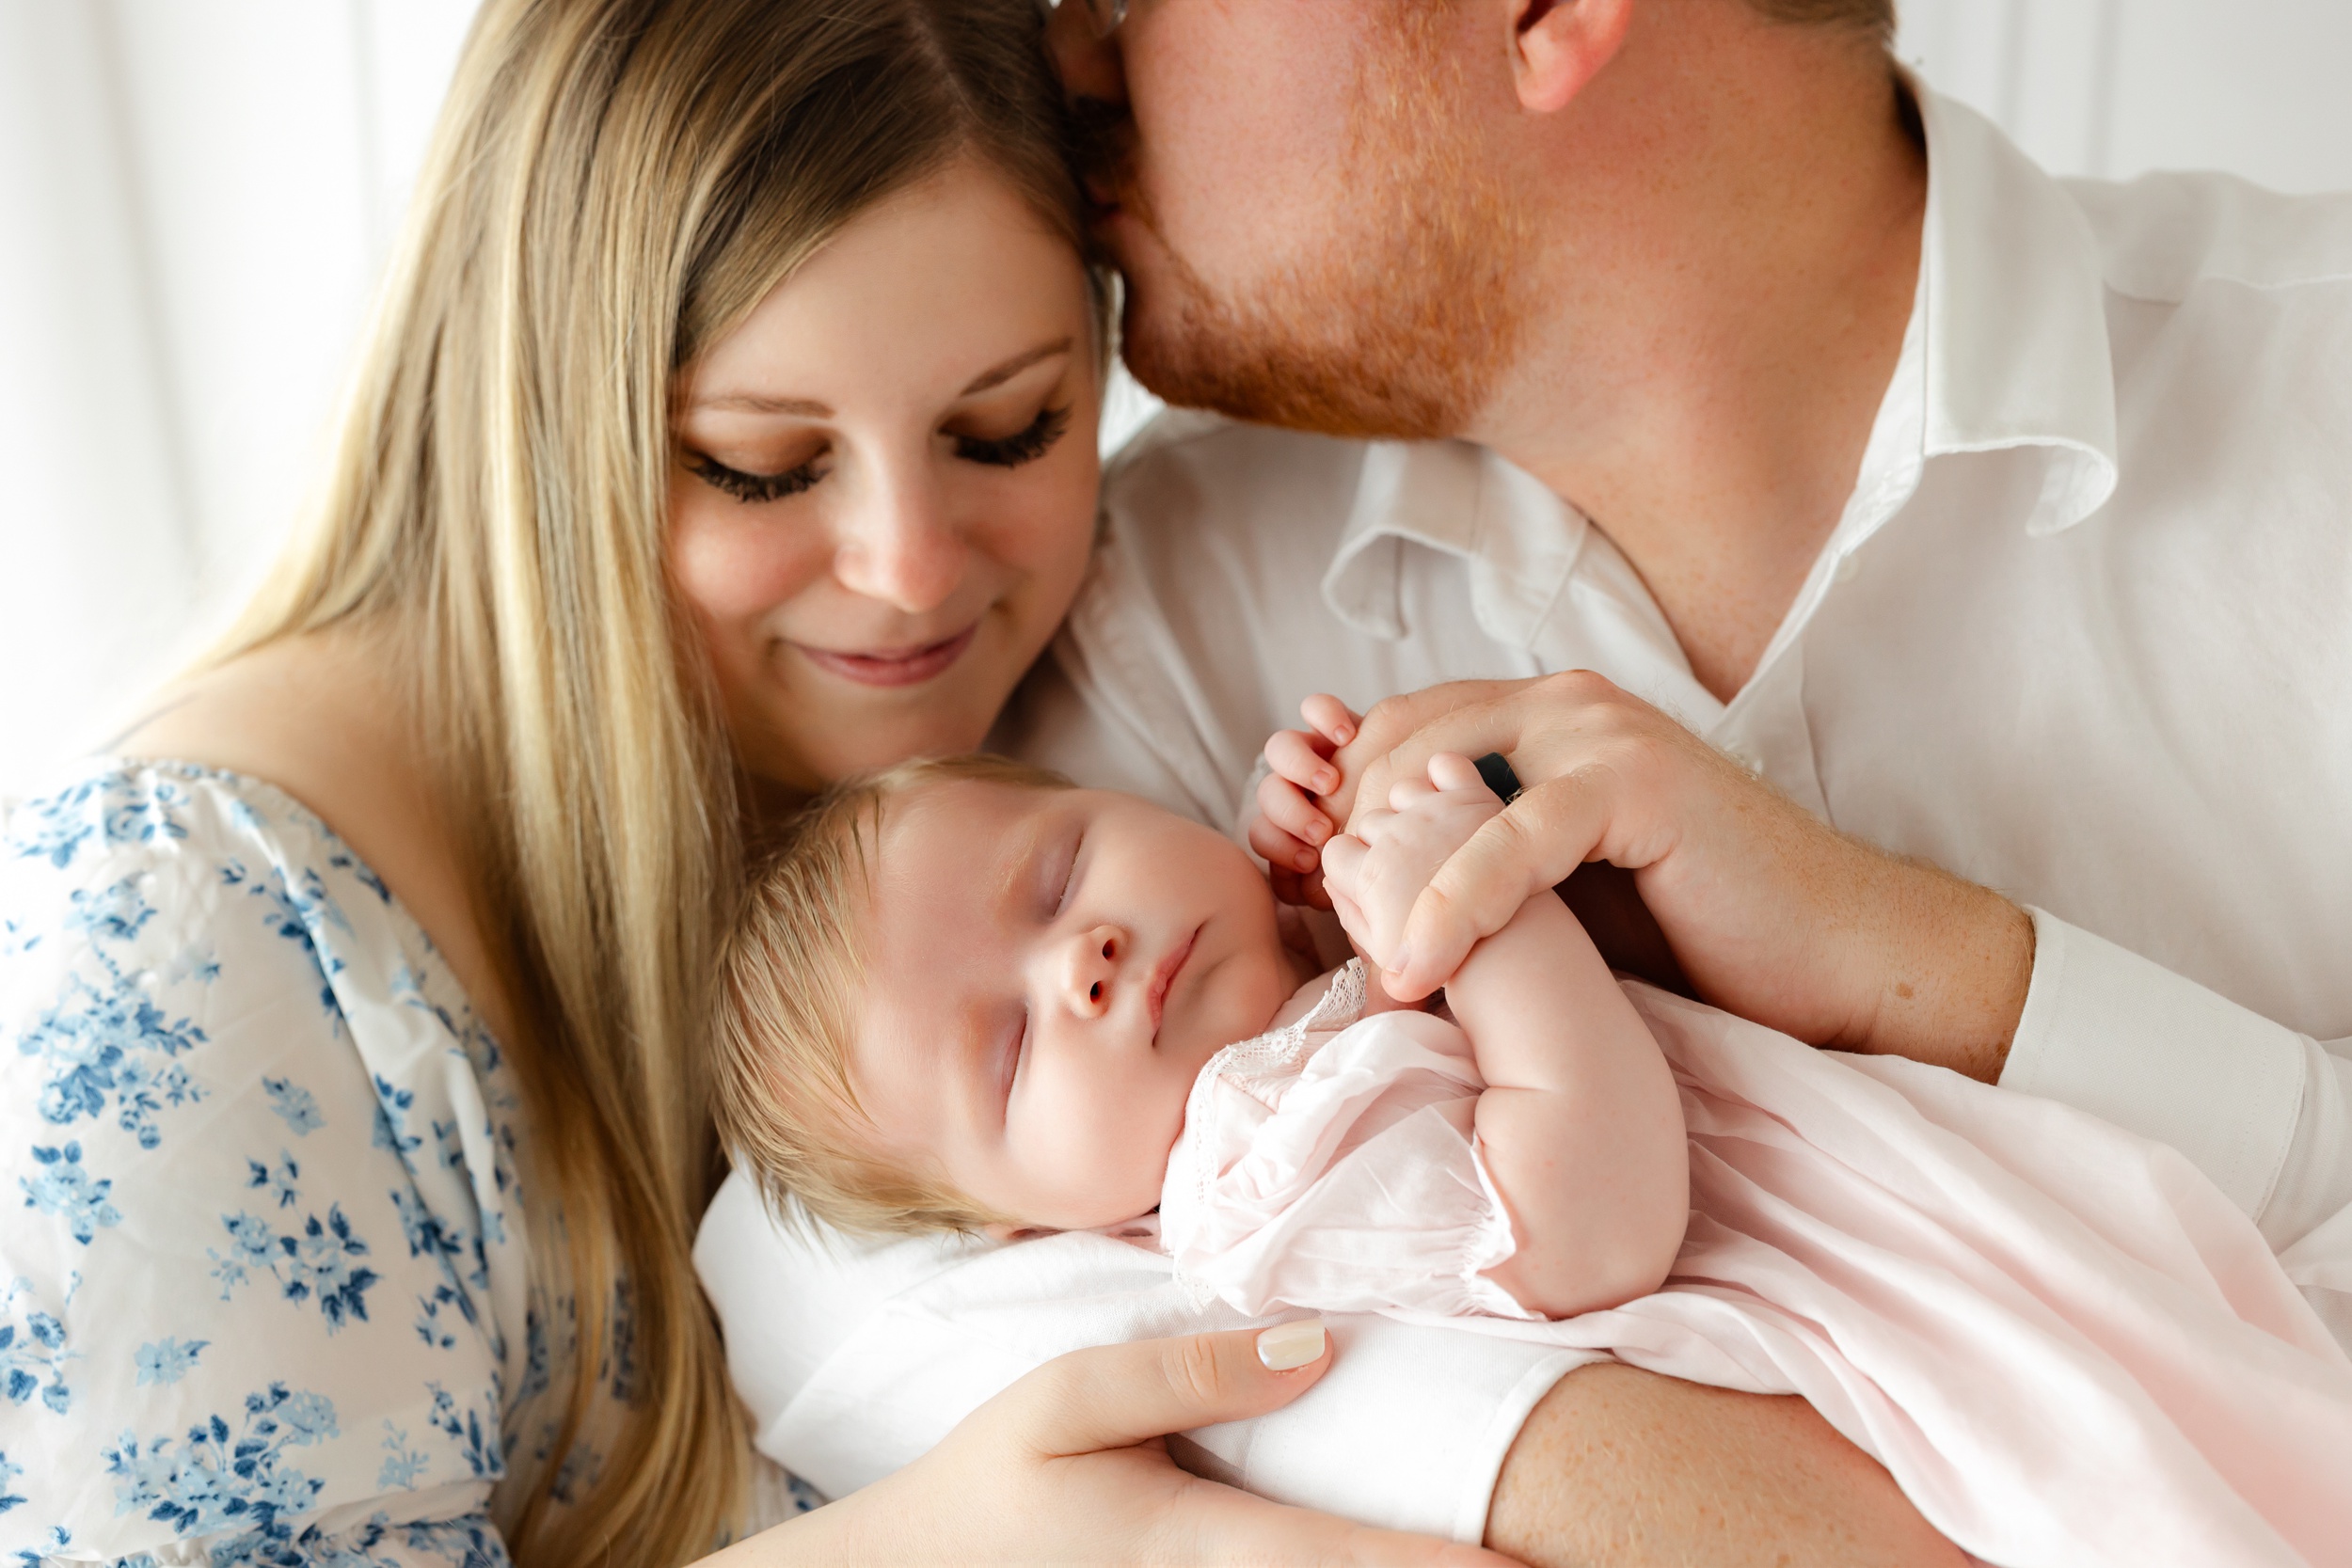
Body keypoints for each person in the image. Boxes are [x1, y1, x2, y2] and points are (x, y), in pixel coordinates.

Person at [0, 0, 1951, 1563]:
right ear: (535, 427)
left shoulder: (954, 764)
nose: (915, 574)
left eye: (1010, 428)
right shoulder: (180, 953)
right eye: (764, 465)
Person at [699, 0, 2352, 1560]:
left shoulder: (2313, 421)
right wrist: (1635, 1485)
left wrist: (1924, 965)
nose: (1061, 50)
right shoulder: (1156, 597)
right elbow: (828, 1273)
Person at [701, 743, 2352, 1566]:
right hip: (1832, 1286)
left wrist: (1322, 830)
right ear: (1017, 1232)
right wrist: (1476, 918)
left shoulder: (1274, 997)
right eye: (1007, 1050)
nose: (1083, 963)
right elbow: (1590, 1219)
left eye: (1059, 872)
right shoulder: (1254, 1172)